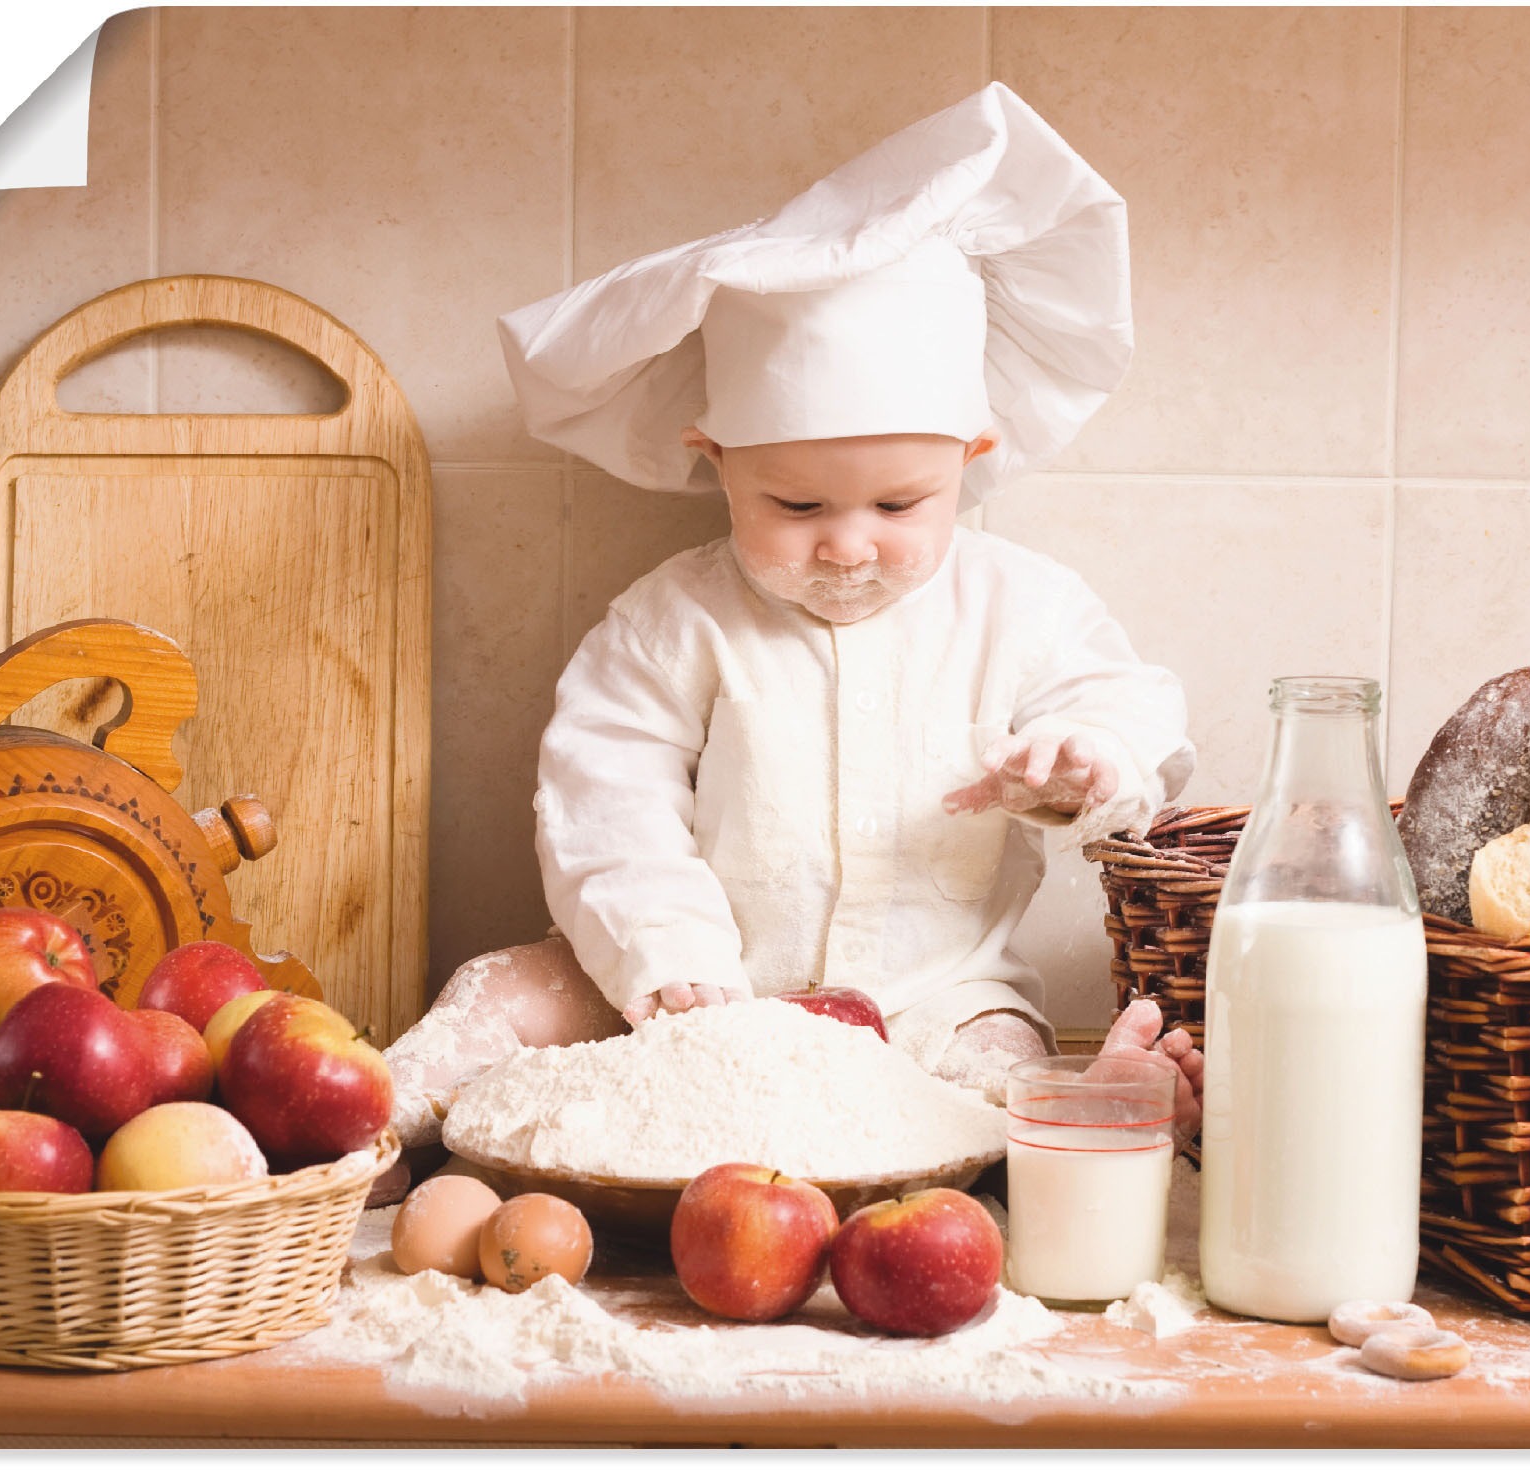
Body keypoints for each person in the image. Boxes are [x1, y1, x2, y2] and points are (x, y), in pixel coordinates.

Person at [384, 82, 1202, 1160]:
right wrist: (666, 953)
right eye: (797, 506)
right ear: (717, 463)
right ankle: (363, 1126)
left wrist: (1085, 757)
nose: (849, 546)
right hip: (690, 992)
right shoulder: (672, 621)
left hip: (934, 998)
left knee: (996, 1063)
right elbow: (604, 797)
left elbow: (1130, 708)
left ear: (971, 461)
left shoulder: (1025, 606)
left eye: (899, 506)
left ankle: (1093, 1109)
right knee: (502, 989)